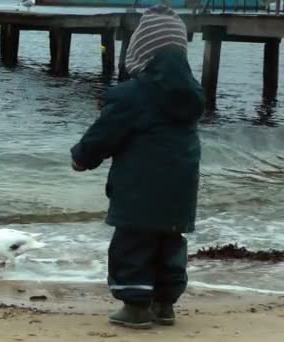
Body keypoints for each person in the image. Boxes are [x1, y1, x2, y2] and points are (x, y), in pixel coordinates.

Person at [69, 5, 204, 329]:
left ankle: (135, 306)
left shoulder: (134, 94)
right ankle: (165, 304)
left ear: (140, 52)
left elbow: (105, 134)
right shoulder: (192, 95)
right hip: (181, 190)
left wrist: (81, 157)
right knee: (170, 242)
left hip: (138, 190)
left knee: (132, 245)